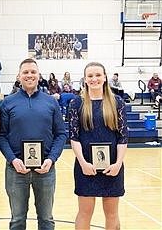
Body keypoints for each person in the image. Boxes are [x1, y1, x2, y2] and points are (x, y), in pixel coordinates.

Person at [0, 58, 67, 230]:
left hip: (45, 169)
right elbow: (1, 135)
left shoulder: (51, 102)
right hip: (16, 170)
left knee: (46, 220)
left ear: (38, 75)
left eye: (33, 72)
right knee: (17, 220)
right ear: (18, 76)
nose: (29, 75)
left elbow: (61, 134)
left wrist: (51, 159)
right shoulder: (7, 102)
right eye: (25, 72)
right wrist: (13, 159)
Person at [68, 62, 128, 230]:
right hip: (86, 166)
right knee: (84, 213)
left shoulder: (117, 102)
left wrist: (118, 163)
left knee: (112, 214)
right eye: (90, 76)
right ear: (85, 79)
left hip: (113, 166)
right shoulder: (76, 103)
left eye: (98, 75)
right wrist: (83, 163)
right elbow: (74, 137)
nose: (94, 79)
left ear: (105, 77)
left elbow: (123, 136)